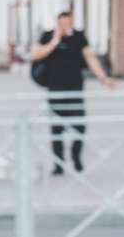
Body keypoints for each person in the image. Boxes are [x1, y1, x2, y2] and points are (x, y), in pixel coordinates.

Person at [28, 10, 114, 174]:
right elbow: (36, 55)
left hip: (75, 88)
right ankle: (58, 164)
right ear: (58, 23)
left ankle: (76, 157)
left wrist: (103, 78)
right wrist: (55, 41)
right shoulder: (48, 36)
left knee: (79, 126)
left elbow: (90, 58)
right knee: (56, 128)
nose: (66, 26)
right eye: (63, 23)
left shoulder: (78, 37)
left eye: (69, 23)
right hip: (55, 89)